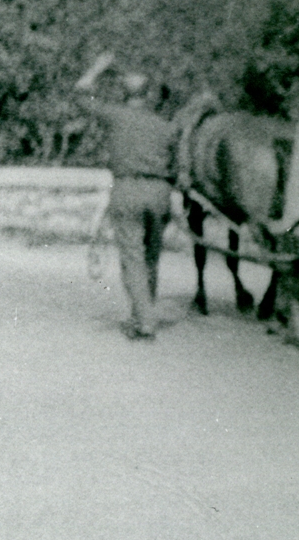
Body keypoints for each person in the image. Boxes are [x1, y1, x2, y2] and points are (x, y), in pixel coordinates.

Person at [74, 53, 214, 340]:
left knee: (133, 259)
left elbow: (80, 96)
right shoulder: (165, 126)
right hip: (160, 194)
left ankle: (145, 321)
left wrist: (97, 69)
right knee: (151, 259)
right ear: (149, 95)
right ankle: (141, 315)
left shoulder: (116, 116)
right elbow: (179, 168)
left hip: (128, 190)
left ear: (124, 94)